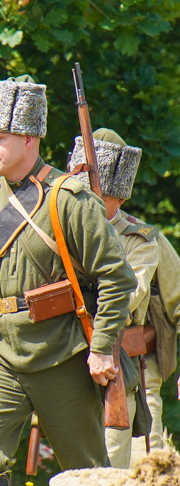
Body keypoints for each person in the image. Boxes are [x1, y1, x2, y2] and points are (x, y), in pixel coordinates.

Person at [0, 76, 136, 486]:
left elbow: (116, 277)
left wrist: (100, 349)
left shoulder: (70, 200)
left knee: (86, 475)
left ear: (28, 139)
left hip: (62, 354)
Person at [69, 129, 169, 467]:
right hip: (67, 354)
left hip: (123, 361)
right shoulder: (58, 228)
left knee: (130, 467)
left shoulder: (139, 240)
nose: (89, 205)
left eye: (100, 197)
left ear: (120, 199)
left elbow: (126, 298)